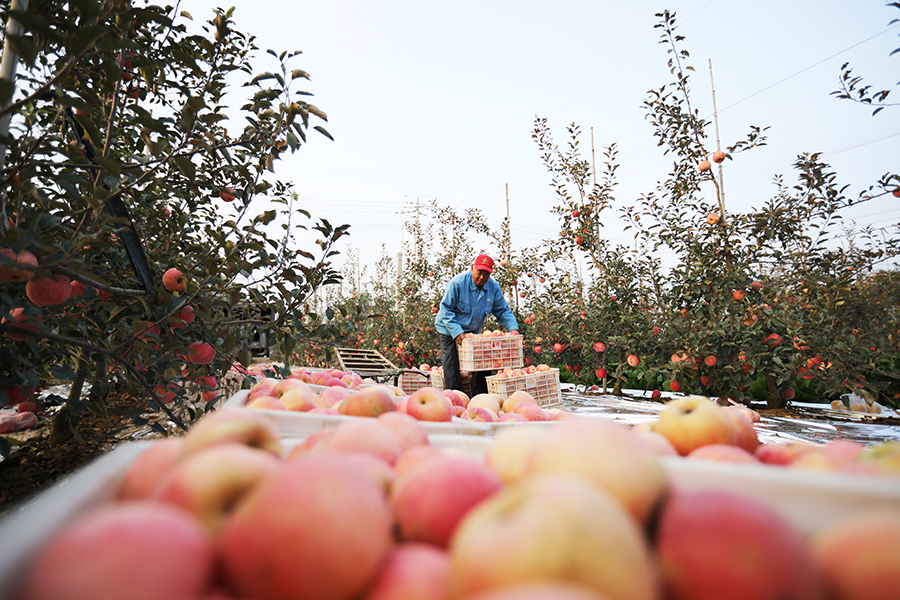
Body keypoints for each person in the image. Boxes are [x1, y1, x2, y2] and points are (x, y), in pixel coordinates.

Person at [434, 254, 519, 396]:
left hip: (472, 330)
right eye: (479, 273)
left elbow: (502, 310)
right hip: (448, 327)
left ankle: (480, 396)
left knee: (483, 360)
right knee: (452, 363)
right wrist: (456, 332)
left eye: (486, 275)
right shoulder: (457, 283)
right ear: (472, 268)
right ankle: (456, 397)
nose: (482, 278)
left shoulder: (493, 287)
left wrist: (513, 329)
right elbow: (445, 310)